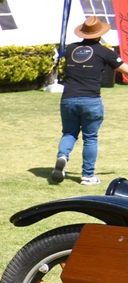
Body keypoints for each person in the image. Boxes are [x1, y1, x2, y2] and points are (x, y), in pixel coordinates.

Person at [52, 16, 128, 185]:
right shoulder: (105, 52)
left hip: (68, 98)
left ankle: (62, 156)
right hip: (91, 100)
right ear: (100, 34)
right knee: (90, 137)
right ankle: (87, 175)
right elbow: (124, 69)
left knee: (69, 133)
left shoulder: (71, 49)